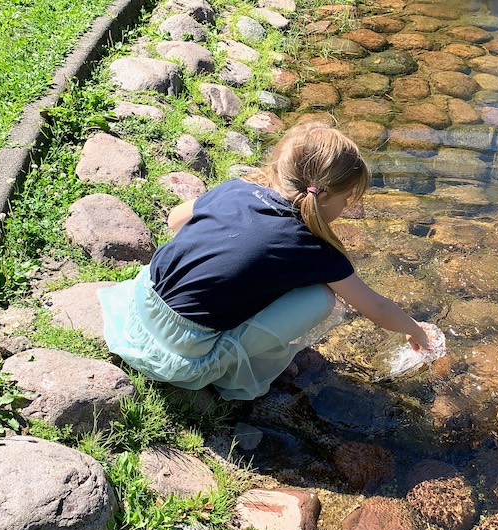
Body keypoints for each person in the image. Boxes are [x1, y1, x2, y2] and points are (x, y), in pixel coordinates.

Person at [98, 122, 431, 400]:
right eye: (346, 200)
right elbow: (377, 307)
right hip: (180, 356)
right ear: (325, 196)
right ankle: (233, 374)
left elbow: (175, 220)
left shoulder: (236, 189)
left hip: (138, 309)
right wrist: (418, 333)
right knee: (322, 298)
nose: (346, 208)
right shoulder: (313, 247)